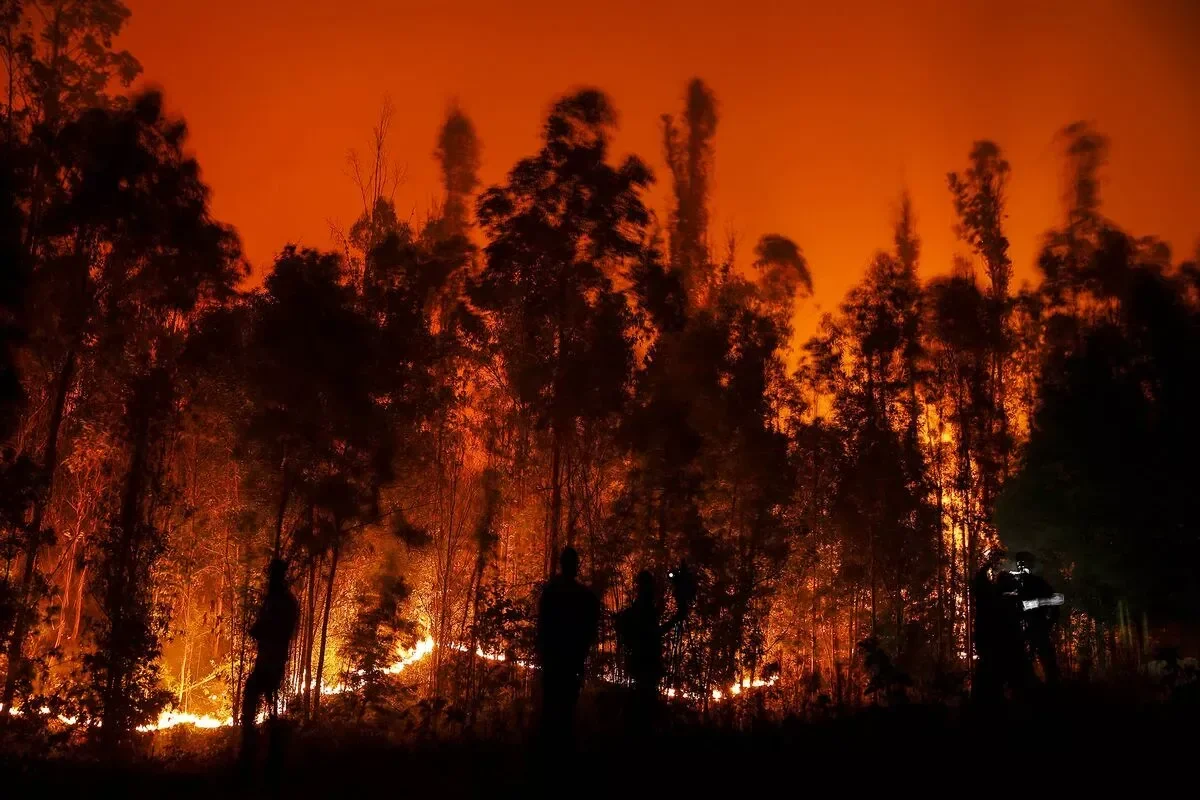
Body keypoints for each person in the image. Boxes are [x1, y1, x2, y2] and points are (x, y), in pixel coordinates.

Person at [535, 546, 600, 746]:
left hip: (556, 661)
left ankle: (549, 754)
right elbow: (590, 629)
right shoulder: (582, 596)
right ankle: (560, 753)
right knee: (565, 710)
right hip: (570, 662)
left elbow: (543, 627)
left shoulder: (551, 591)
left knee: (552, 709)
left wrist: (543, 653)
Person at [240, 558, 299, 764]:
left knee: (258, 698)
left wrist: (259, 629)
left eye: (271, 575)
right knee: (268, 701)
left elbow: (272, 629)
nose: (269, 579)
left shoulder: (279, 601)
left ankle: (258, 750)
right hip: (273, 659)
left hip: (271, 660)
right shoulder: (283, 601)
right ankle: (268, 750)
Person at [617, 570, 688, 734]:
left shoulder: (642, 607)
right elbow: (653, 632)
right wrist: (676, 618)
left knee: (643, 704)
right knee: (645, 706)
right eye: (650, 585)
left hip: (641, 664)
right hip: (645, 664)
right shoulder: (642, 608)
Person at [1012, 552, 1061, 684]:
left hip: (1038, 628)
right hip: (1021, 632)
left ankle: (1052, 689)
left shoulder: (1037, 582)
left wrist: (1037, 604)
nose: (1021, 567)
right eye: (1019, 563)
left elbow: (1058, 599)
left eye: (1024, 563)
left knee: (1048, 662)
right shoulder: (1014, 585)